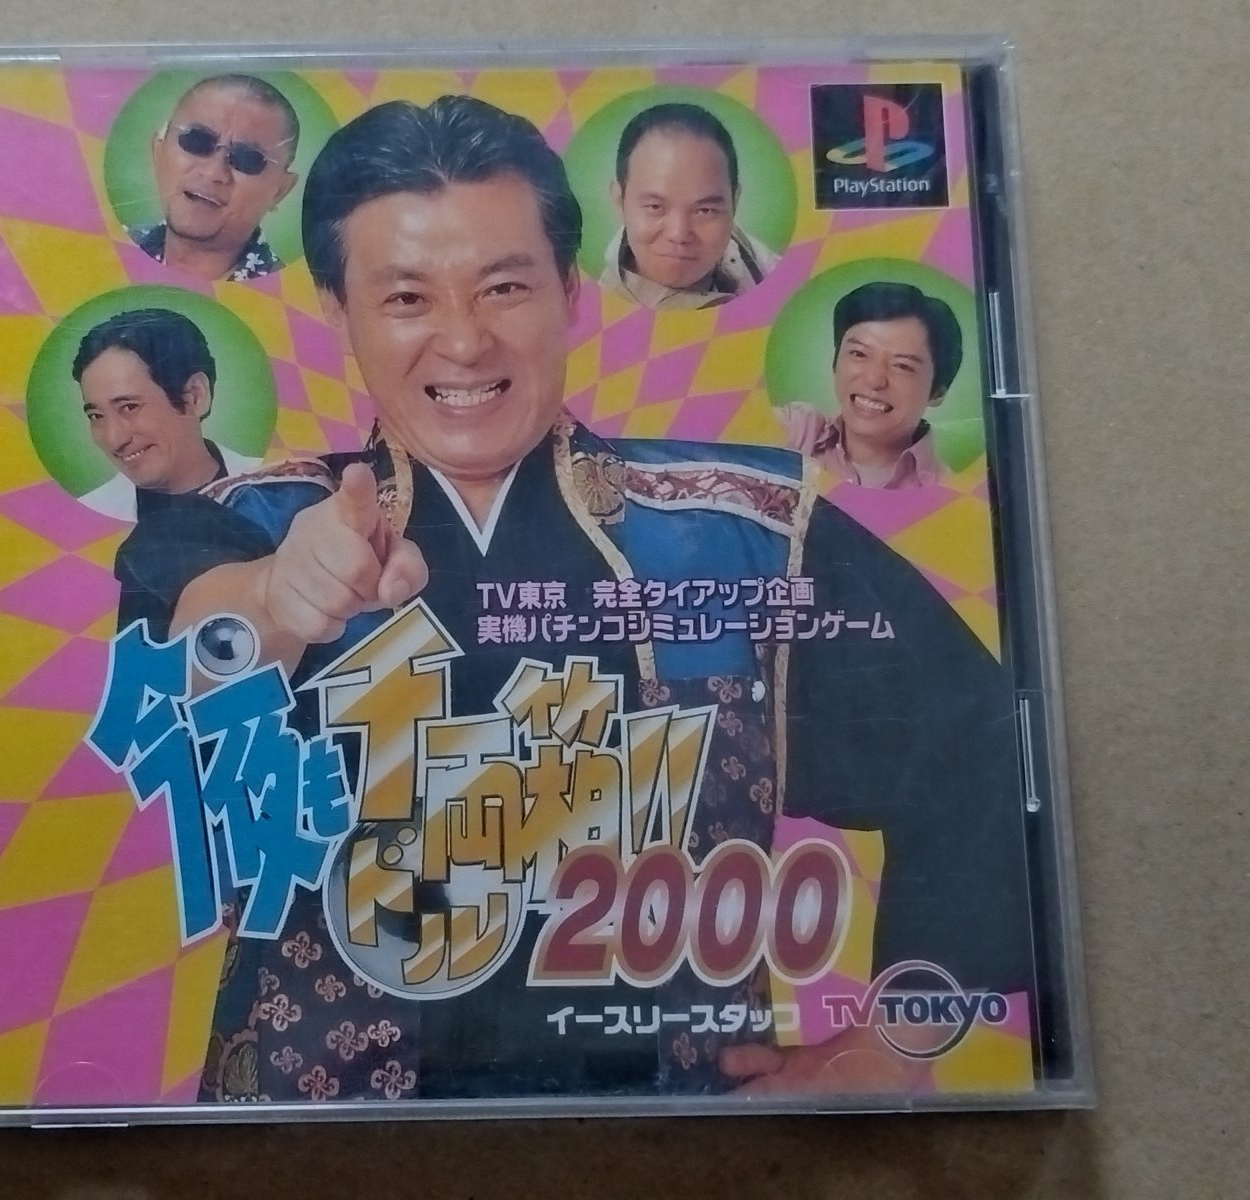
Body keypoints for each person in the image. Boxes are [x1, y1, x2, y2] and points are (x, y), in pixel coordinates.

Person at [169, 96, 1031, 1103]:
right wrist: (276, 597)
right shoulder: (251, 522)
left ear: (570, 290)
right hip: (311, 1138)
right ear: (335, 309)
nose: (464, 342)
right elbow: (183, 633)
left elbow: (980, 740)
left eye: (504, 288)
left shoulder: (747, 530)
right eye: (405, 298)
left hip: (684, 1134)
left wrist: (894, 1042)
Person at [71, 308, 263, 640]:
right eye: (96, 416)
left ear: (194, 396)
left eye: (129, 407)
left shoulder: (283, 494)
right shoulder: (83, 532)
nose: (114, 438)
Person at [598, 103, 779, 310]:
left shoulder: (744, 250)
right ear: (619, 200)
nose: (679, 234)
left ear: (734, 202)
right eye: (655, 207)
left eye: (704, 210)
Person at [780, 281, 961, 489]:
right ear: (836, 361)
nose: (874, 380)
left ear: (937, 392)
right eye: (859, 354)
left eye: (902, 366)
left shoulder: (950, 491)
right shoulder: (798, 430)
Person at [127, 74, 300, 282]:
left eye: (247, 159)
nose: (213, 173)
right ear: (158, 151)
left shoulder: (295, 294)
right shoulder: (103, 252)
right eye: (197, 141)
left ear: (280, 191)